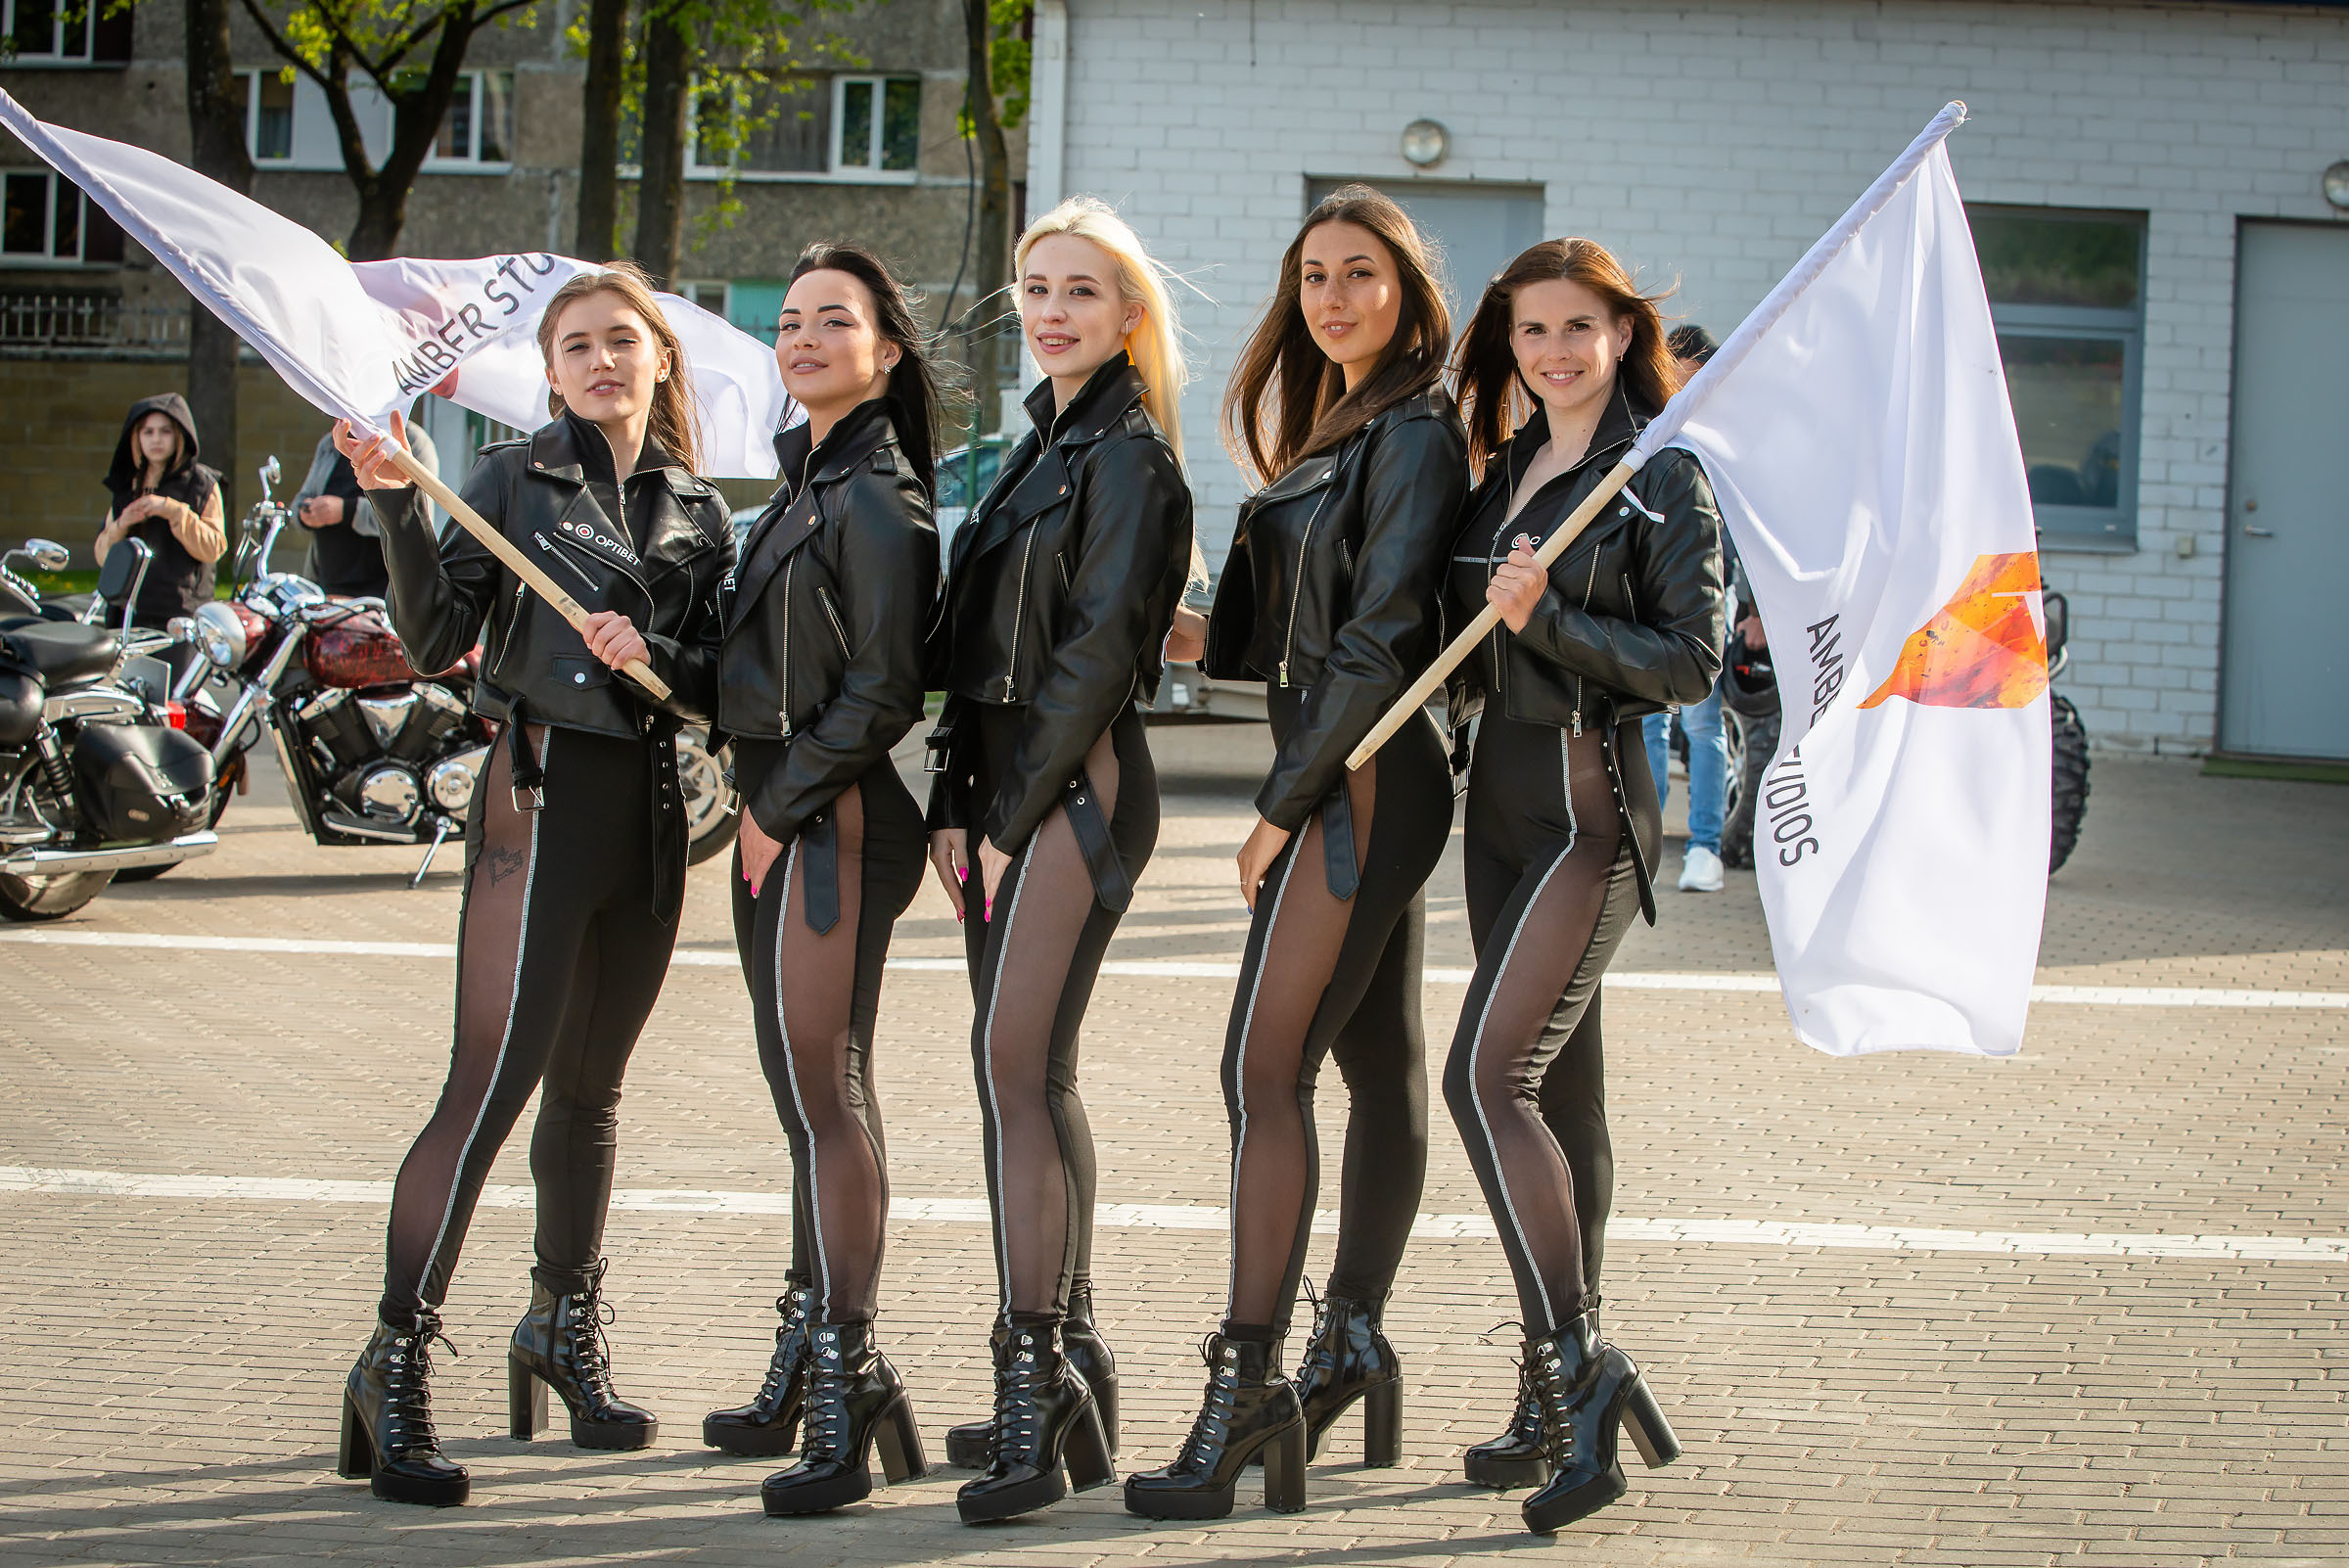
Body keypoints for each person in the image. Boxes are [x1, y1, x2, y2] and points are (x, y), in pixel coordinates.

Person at [330, 261, 733, 1508]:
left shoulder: (700, 510)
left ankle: (561, 1324)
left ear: (660, 358)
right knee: (489, 1083)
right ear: (550, 373)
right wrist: (395, 503)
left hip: (652, 819)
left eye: (623, 340)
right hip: (540, 800)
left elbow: (716, 680)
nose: (603, 360)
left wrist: (659, 652)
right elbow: (433, 635)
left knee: (591, 1094)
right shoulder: (511, 479)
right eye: (578, 346)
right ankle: (394, 1358)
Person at [1124, 186, 1462, 1522]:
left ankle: (1251, 1379)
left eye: (1361, 273)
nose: (1333, 297)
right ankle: (1353, 1338)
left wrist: (1281, 801)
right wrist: (1187, 624)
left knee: (1261, 1070)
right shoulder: (1337, 425)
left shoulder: (1417, 430)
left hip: (1362, 777)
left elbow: (1380, 642)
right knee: (1376, 1063)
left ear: (1408, 291)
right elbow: (1287, 633)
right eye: (1314, 275)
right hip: (1344, 772)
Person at [1441, 239, 1723, 1534]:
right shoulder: (1504, 469)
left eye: (1577, 326)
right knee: (1559, 1094)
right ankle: (1549, 1398)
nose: (1554, 350)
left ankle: (1584, 1373)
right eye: (1531, 329)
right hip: (1494, 811)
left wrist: (1546, 617)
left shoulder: (1659, 473)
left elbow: (1689, 661)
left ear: (1621, 334)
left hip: (1587, 813)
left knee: (1485, 1078)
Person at [924, 195, 1195, 1525]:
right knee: (1027, 1074)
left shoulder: (1130, 460)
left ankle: (1034, 1394)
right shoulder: (1041, 444)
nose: (1051, 311)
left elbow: (1088, 663)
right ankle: (1069, 1361)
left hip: (1072, 790)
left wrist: (1008, 814)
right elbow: (975, 650)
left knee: (1013, 1066)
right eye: (1037, 288)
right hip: (1006, 789)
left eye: (1081, 290)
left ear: (1130, 315)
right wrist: (950, 793)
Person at [698, 243, 944, 1517]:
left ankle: (849, 1385)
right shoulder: (805, 480)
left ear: (885, 350)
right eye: (789, 319)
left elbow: (884, 690)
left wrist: (775, 808)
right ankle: (815, 1352)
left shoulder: (879, 496)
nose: (800, 336)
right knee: (805, 1100)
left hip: (829, 818)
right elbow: (764, 663)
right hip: (783, 813)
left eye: (831, 320)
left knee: (827, 1092)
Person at [1642, 323, 1728, 893]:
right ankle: (1644, 843)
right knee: (1649, 722)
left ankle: (1705, 846)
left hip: (1705, 603)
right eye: (1673, 380)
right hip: (1647, 601)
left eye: (1692, 381)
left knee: (1702, 724)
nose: (1680, 393)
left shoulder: (1721, 443)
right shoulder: (1648, 433)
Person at [96, 393, 224, 626]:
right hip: (128, 614)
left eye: (165, 431)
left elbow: (214, 548)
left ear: (179, 435)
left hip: (181, 616)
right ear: (137, 437)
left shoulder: (202, 484)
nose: (156, 439)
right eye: (148, 432)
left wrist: (173, 511)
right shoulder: (126, 484)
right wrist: (122, 524)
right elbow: (104, 557)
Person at [292, 420, 436, 598]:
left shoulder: (413, 440)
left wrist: (346, 511)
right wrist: (306, 514)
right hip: (327, 588)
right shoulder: (329, 444)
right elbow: (300, 501)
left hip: (384, 593)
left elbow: (418, 518)